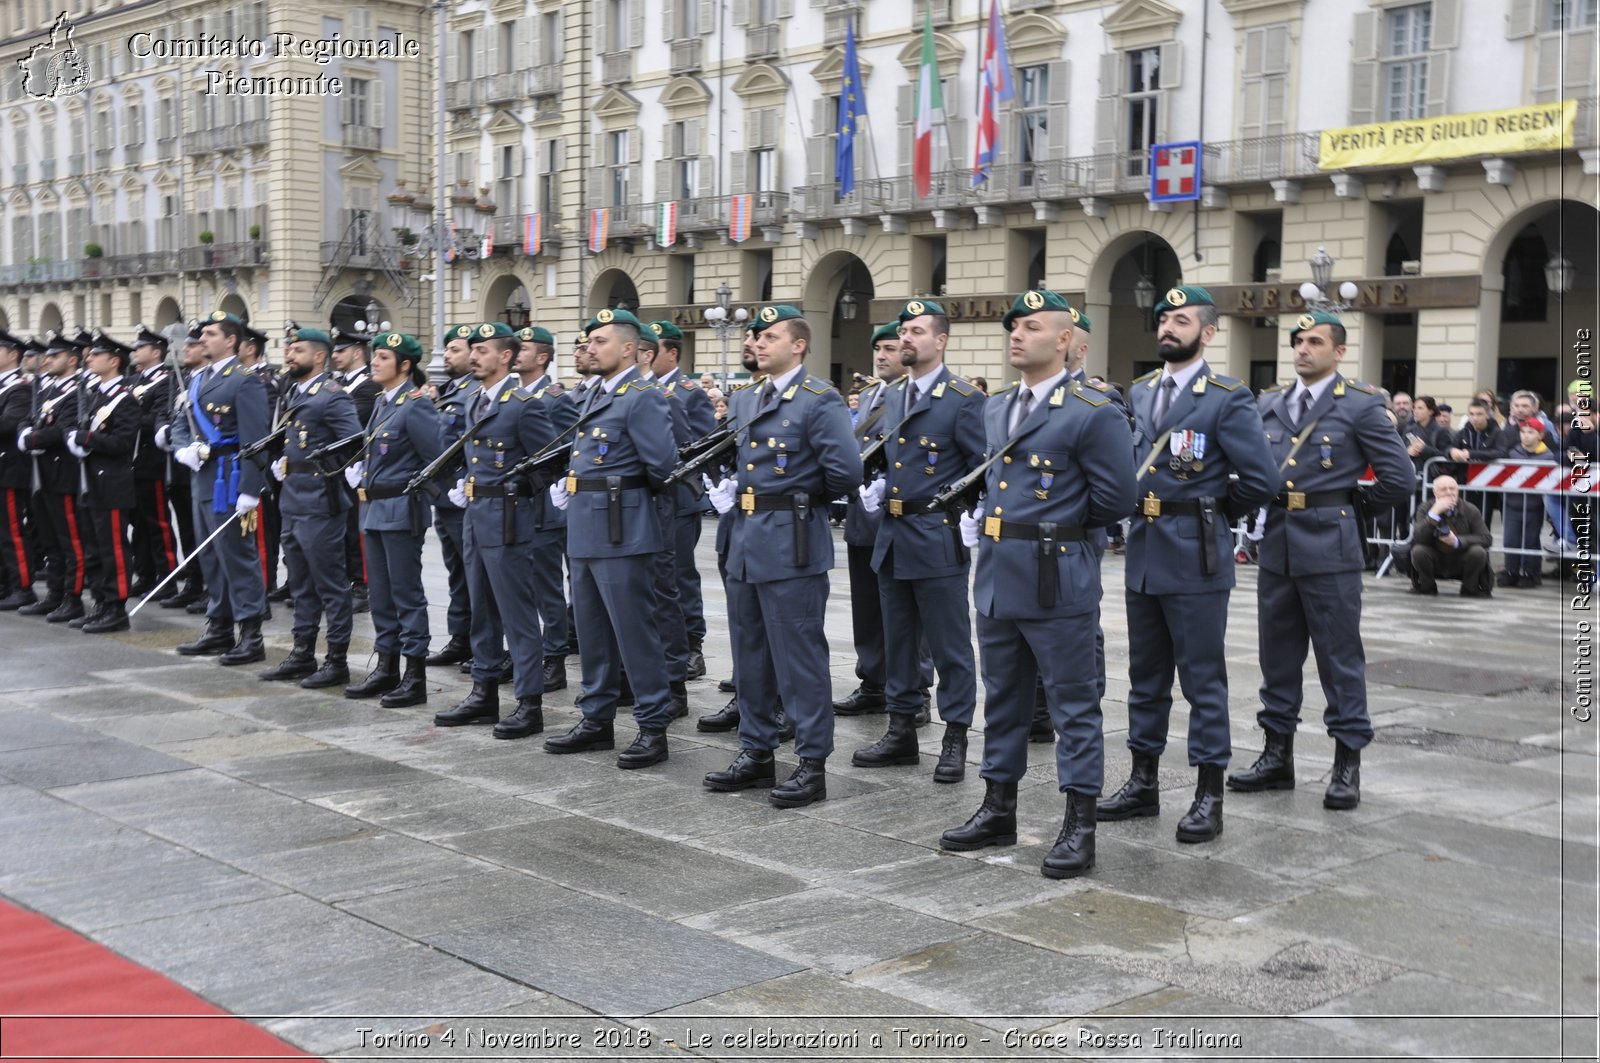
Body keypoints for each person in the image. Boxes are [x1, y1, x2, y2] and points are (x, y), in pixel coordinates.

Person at [941, 289, 1135, 878]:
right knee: (1003, 696)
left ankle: (1080, 823)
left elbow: (1116, 498)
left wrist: (1063, 531)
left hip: (1056, 571)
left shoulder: (1092, 409)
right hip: (999, 570)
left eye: (1030, 327)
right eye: (1013, 328)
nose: (1016, 336)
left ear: (1064, 339)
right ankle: (998, 805)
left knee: (1074, 702)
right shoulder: (995, 408)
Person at [1101, 286, 1276, 844]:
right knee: (1145, 676)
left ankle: (1208, 793)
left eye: (1181, 320)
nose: (1168, 327)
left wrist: (1215, 513)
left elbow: (1262, 480)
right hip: (1146, 546)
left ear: (1208, 332)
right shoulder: (1145, 388)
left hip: (1196, 551)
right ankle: (1143, 781)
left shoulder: (1226, 396)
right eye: (1164, 319)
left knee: (1203, 680)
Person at [1228, 309, 1412, 811]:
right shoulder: (1269, 403)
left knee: (1338, 657)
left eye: (1314, 341)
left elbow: (1400, 479)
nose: (1303, 349)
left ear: (1339, 351)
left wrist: (1348, 512)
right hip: (1279, 542)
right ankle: (1276, 756)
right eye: (1298, 341)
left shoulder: (1359, 406)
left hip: (1330, 546)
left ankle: (1346, 763)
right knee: (1277, 656)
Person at [703, 305, 861, 807]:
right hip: (747, 538)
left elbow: (845, 474)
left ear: (798, 345)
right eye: (755, 336)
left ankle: (811, 763)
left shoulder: (819, 399)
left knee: (799, 659)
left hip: (791, 539)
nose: (757, 343)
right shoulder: (748, 398)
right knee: (750, 656)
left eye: (769, 336)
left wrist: (796, 497)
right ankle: (756, 751)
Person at [852, 300, 986, 783]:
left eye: (917, 332)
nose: (906, 339)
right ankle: (901, 729)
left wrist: (970, 518)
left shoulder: (963, 399)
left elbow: (980, 470)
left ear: (941, 341)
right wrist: (876, 484)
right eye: (904, 331)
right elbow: (888, 457)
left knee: (950, 645)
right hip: (892, 533)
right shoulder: (892, 396)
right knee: (899, 641)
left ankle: (955, 736)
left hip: (936, 535)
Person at [543, 308, 677, 766]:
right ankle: (596, 719)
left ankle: (652, 726)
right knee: (593, 632)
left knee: (634, 633)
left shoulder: (642, 396)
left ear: (627, 348)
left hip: (623, 529)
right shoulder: (591, 394)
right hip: (584, 526)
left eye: (599, 341)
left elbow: (662, 468)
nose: (590, 348)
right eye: (588, 341)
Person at [434, 323, 554, 735]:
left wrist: (520, 486)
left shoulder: (522, 404)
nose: (474, 356)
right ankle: (483, 693)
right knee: (481, 611)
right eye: (473, 349)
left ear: (505, 356)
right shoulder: (474, 400)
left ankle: (529, 702)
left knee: (516, 614)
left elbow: (550, 461)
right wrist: (463, 486)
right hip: (475, 516)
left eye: (482, 350)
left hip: (508, 518)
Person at [834, 322, 931, 720]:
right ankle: (873, 680)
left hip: (900, 520)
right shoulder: (871, 395)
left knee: (909, 611)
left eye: (890, 348)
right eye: (879, 349)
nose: (882, 355)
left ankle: (917, 688)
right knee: (867, 607)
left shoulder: (913, 397)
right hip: (863, 517)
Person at [258, 327, 362, 687]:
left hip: (320, 499)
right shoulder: (294, 392)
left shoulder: (332, 395)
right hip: (292, 497)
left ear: (319, 356)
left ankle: (336, 660)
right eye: (289, 349)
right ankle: (302, 652)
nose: (289, 355)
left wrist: (330, 470)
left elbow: (353, 442)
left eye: (297, 350)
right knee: (299, 582)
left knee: (330, 583)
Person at [344, 332, 442, 705]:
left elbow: (434, 458)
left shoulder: (415, 405)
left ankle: (414, 676)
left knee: (406, 594)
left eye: (383, 357)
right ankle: (387, 667)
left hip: (401, 511)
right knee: (382, 597)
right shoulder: (384, 403)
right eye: (375, 356)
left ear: (404, 365)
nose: (374, 362)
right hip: (372, 510)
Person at [169, 312, 271, 664]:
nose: (202, 340)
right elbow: (180, 424)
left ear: (231, 340)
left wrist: (250, 489)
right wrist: (184, 450)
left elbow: (257, 440)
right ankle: (219, 626)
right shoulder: (198, 379)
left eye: (210, 334)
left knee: (237, 558)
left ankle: (251, 633)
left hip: (230, 480)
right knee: (210, 556)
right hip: (202, 476)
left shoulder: (243, 380)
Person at [649, 320, 716, 681]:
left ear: (671, 353)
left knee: (680, 576)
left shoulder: (690, 392)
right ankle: (664, 641)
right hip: (652, 499)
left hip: (679, 499)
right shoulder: (642, 389)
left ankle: (693, 646)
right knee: (657, 577)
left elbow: (706, 447)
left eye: (653, 349)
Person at [515, 324, 576, 692]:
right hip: (516, 508)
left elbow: (566, 453)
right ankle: (525, 652)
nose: (515, 353)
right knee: (522, 587)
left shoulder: (556, 399)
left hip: (544, 509)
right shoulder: (511, 396)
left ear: (541, 357)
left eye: (523, 349)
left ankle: (555, 658)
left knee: (546, 587)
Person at [18, 332, 90, 623]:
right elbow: (29, 416)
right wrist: (27, 432)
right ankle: (54, 593)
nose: (47, 360)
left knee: (70, 541)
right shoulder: (46, 388)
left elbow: (63, 429)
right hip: (43, 475)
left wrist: (30, 438)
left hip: (64, 475)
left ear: (72, 360)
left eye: (55, 356)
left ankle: (73, 598)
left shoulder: (78, 391)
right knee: (49, 540)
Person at [422, 325, 477, 669]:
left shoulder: (473, 393)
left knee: (475, 575)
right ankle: (461, 637)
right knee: (457, 573)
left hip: (463, 496)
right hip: (444, 497)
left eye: (455, 349)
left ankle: (483, 642)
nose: (448, 356)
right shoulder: (449, 391)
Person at [332, 327, 380, 614]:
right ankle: (346, 580)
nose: (335, 355)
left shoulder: (369, 386)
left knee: (355, 529)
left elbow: (351, 421)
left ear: (358, 353)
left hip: (354, 466)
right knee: (340, 530)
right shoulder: (337, 383)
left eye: (341, 350)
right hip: (334, 468)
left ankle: (361, 584)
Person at [0, 330, 37, 611]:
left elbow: (9, 424)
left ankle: (23, 587)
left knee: (12, 531)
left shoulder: (20, 387)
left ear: (13, 354)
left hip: (10, 468)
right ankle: (5, 583)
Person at [1409, 474, 1492, 596]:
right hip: (1435, 555)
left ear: (1458, 491)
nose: (1449, 492)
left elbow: (1486, 538)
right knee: (1418, 551)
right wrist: (1434, 513)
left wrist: (1457, 541)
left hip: (1461, 556)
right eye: (1443, 489)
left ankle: (1470, 589)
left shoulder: (1470, 509)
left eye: (1452, 489)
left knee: (1478, 551)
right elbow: (1419, 538)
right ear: (1435, 492)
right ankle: (1427, 587)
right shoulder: (1425, 508)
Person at [1497, 416, 1556, 588]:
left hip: (1534, 506)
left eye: (1531, 432)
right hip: (1512, 504)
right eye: (1523, 432)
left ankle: (1531, 573)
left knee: (1530, 540)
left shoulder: (1548, 457)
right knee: (1510, 539)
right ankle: (1511, 571)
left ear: (1541, 435)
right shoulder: (1512, 453)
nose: (1526, 436)